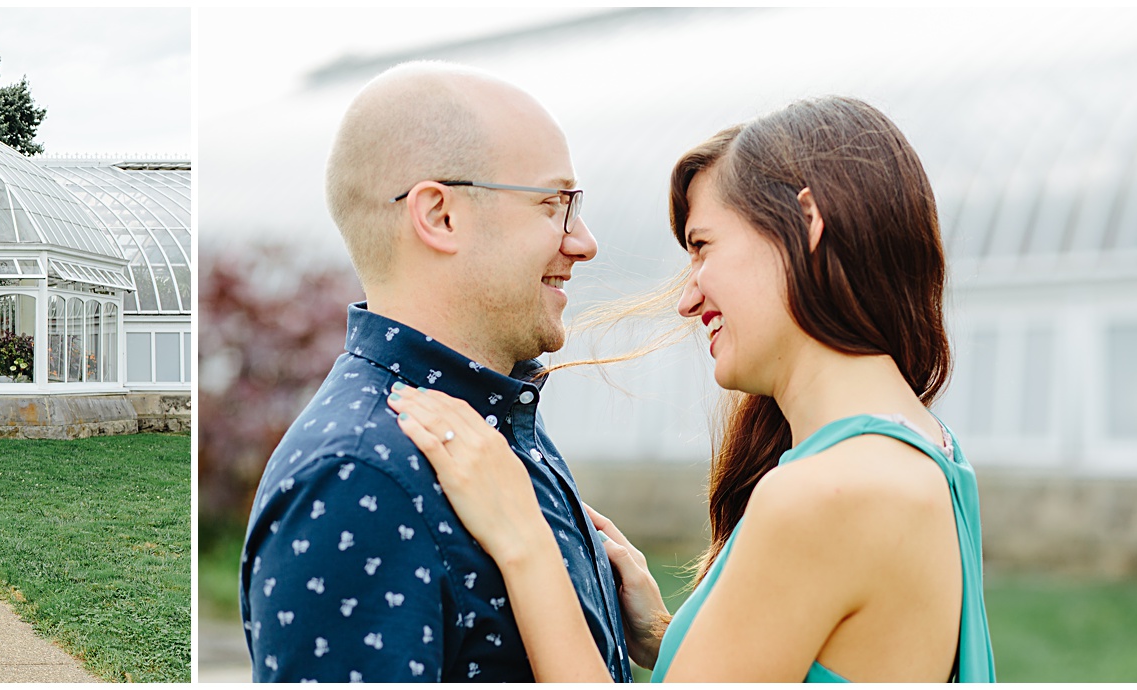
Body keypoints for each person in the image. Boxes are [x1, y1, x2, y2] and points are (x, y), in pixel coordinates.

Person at [387, 96, 995, 681]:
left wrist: (522, 538)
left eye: (702, 247)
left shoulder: (825, 492)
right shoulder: (928, 448)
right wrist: (664, 633)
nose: (687, 298)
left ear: (809, 223)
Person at [238, 61, 628, 682]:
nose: (583, 242)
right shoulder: (358, 478)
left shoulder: (488, 420)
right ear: (440, 215)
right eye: (554, 204)